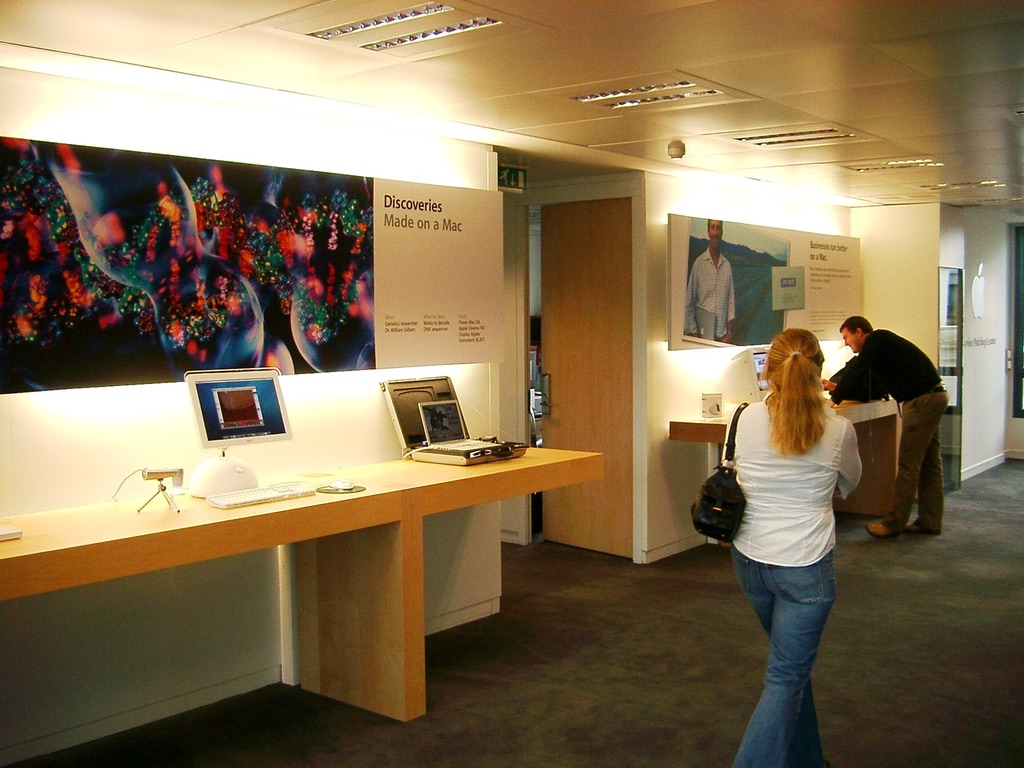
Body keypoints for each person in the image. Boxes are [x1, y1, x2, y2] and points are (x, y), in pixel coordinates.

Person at [730, 328, 862, 768]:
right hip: (806, 567)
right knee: (786, 675)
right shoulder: (838, 430)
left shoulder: (744, 417)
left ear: (769, 371)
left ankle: (808, 760)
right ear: (819, 369)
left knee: (791, 670)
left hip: (750, 559)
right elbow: (850, 484)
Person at [822, 316, 948, 538]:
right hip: (933, 397)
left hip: (921, 402)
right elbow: (867, 384)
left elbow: (858, 370)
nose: (846, 343)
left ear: (859, 332)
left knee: (909, 465)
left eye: (846, 337)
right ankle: (930, 520)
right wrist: (838, 389)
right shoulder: (883, 347)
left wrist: (834, 399)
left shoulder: (877, 340)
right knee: (929, 463)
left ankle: (893, 523)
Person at [684, 218, 735, 342]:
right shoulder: (699, 264)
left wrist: (728, 334)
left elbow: (730, 303)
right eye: (713, 227)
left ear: (721, 232)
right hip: (702, 337)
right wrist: (695, 335)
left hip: (721, 339)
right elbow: (688, 303)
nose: (715, 233)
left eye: (718, 228)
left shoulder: (727, 266)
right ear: (708, 232)